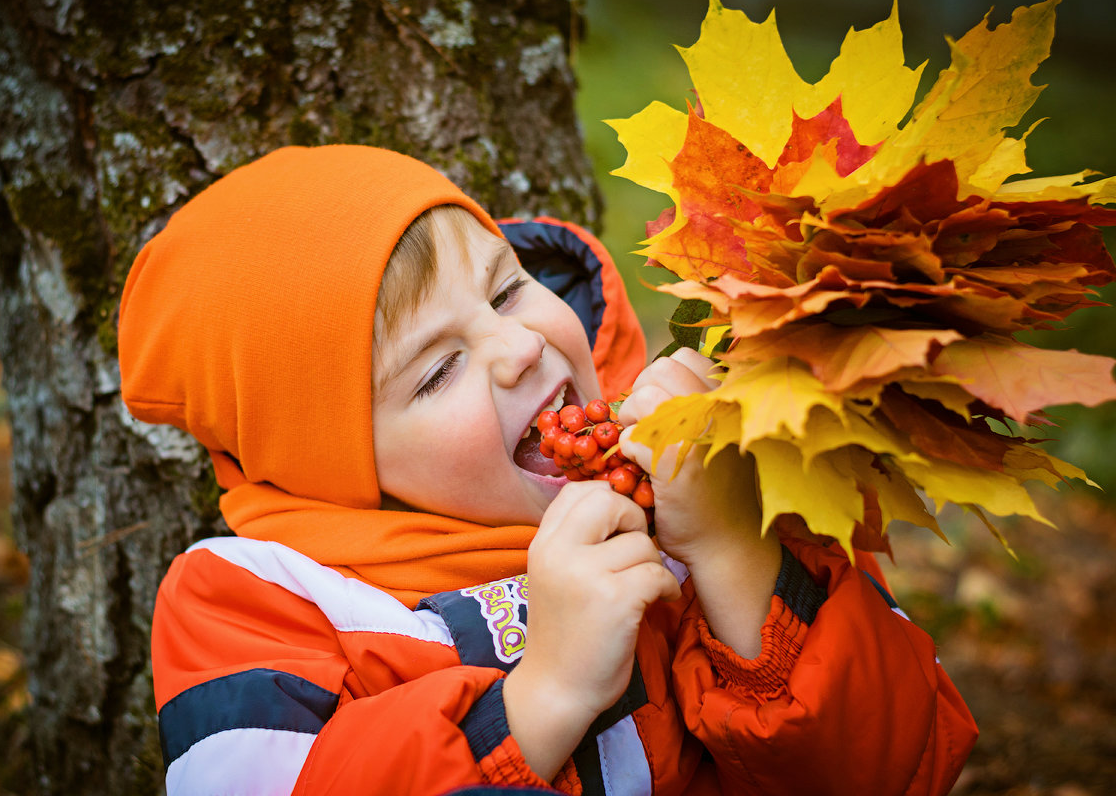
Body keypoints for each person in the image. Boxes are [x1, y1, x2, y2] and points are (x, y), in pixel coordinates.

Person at [118, 145, 977, 795]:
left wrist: (735, 553)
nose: (520, 345)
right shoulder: (256, 602)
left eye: (504, 292)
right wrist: (545, 695)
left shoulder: (709, 480)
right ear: (332, 465)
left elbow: (899, 763)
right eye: (436, 370)